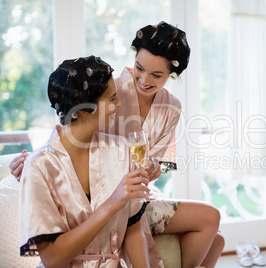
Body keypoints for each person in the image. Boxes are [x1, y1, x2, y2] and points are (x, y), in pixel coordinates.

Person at [12, 21, 225, 267]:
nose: (144, 80)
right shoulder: (109, 89)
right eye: (139, 68)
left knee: (215, 235)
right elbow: (72, 130)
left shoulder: (171, 108)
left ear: (172, 75)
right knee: (211, 234)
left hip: (134, 191)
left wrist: (152, 169)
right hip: (108, 192)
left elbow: (147, 163)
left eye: (156, 75)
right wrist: (34, 161)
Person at [19, 56, 151, 267]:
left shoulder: (122, 150)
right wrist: (111, 204)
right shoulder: (38, 167)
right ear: (82, 110)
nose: (119, 103)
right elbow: (52, 259)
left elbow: (134, 231)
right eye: (111, 99)